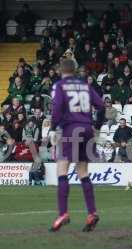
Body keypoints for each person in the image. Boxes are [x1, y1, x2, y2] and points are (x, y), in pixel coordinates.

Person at [50, 59, 104, 232]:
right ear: (74, 70)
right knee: (83, 172)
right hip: (87, 129)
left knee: (62, 169)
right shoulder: (85, 85)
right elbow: (101, 105)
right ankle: (92, 213)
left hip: (71, 129)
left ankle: (63, 213)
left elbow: (57, 107)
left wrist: (52, 128)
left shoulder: (60, 86)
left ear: (61, 70)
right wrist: (96, 125)